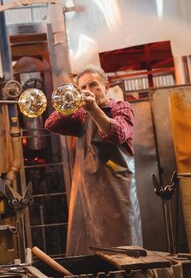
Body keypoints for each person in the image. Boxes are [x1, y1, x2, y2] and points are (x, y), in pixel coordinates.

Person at [44, 65, 142, 256]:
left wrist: (94, 108)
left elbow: (117, 135)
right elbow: (51, 124)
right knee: (89, 251)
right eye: (83, 88)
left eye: (93, 85)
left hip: (117, 196)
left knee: (123, 249)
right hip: (88, 195)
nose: (88, 91)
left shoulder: (121, 108)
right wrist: (69, 103)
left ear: (106, 86)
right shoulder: (80, 115)